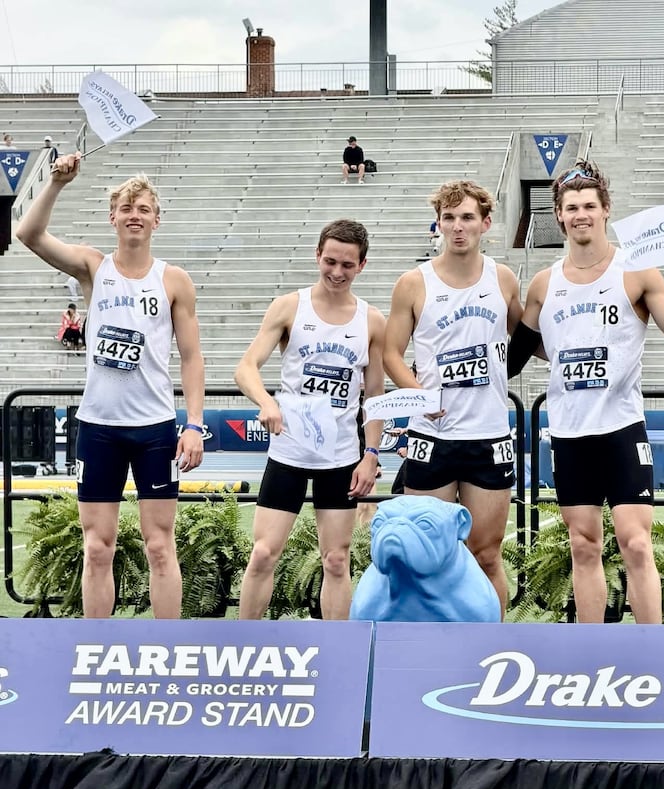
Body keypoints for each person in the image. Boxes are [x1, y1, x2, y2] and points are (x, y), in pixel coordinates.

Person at [507, 160, 664, 624]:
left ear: (605, 209)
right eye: (572, 207)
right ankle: (591, 646)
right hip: (569, 432)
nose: (581, 215)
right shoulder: (544, 284)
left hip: (621, 428)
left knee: (636, 543)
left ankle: (651, 645)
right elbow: (515, 358)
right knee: (583, 544)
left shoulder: (637, 272)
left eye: (589, 206)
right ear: (559, 215)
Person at [15, 152, 206, 619]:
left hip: (155, 429)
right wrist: (57, 183)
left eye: (143, 209)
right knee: (98, 546)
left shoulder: (174, 280)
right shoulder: (93, 267)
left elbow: (191, 356)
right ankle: (96, 642)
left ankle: (167, 644)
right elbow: (28, 234)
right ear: (112, 218)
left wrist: (194, 424)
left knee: (159, 546)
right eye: (126, 208)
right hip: (99, 427)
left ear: (157, 219)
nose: (134, 215)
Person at [383, 180, 523, 616]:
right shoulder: (413, 283)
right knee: (426, 556)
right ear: (439, 224)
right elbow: (391, 353)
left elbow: (528, 339)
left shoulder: (503, 278)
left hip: (489, 435)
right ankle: (428, 643)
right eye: (449, 218)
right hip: (432, 437)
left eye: (467, 217)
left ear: (486, 223)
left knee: (487, 555)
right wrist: (417, 395)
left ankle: (491, 643)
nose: (458, 227)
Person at [235, 219, 386, 620]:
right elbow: (246, 367)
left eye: (347, 265)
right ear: (317, 255)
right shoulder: (289, 307)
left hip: (340, 458)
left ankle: (339, 646)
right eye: (330, 261)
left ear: (362, 265)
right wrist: (266, 402)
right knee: (264, 553)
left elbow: (374, 395)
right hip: (289, 451)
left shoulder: (371, 321)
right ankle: (245, 640)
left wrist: (371, 454)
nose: (337, 272)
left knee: (336, 559)